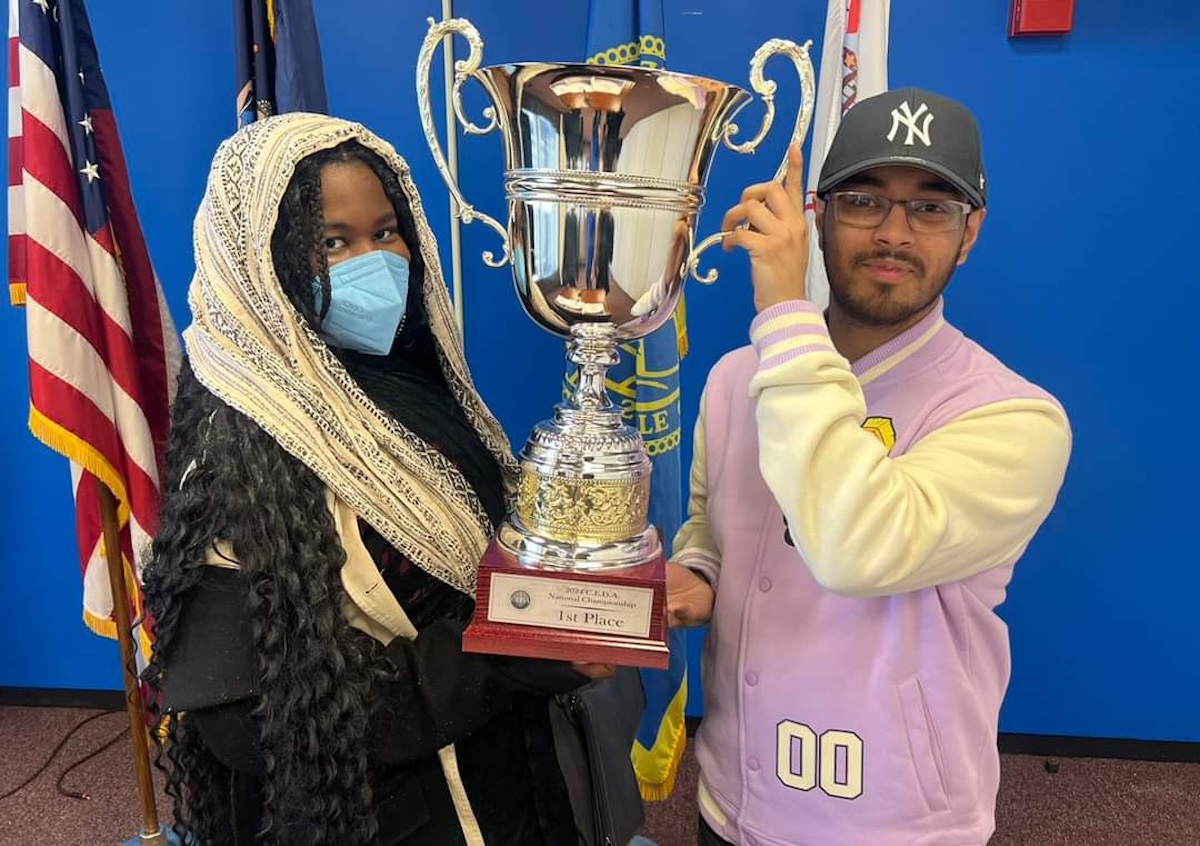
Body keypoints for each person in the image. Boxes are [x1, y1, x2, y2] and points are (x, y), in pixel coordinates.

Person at [142, 112, 636, 846]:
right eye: (333, 242)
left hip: (509, 783)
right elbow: (250, 724)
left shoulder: (415, 388)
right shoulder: (232, 458)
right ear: (259, 262)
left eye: (386, 232)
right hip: (383, 819)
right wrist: (511, 655)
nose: (375, 261)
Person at [665, 88, 1072, 846]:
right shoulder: (734, 379)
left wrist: (784, 312)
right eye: (863, 201)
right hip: (734, 792)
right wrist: (700, 573)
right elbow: (713, 524)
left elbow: (857, 545)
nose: (893, 234)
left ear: (969, 232)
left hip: (892, 820)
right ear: (817, 216)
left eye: (930, 208)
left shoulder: (1013, 418)